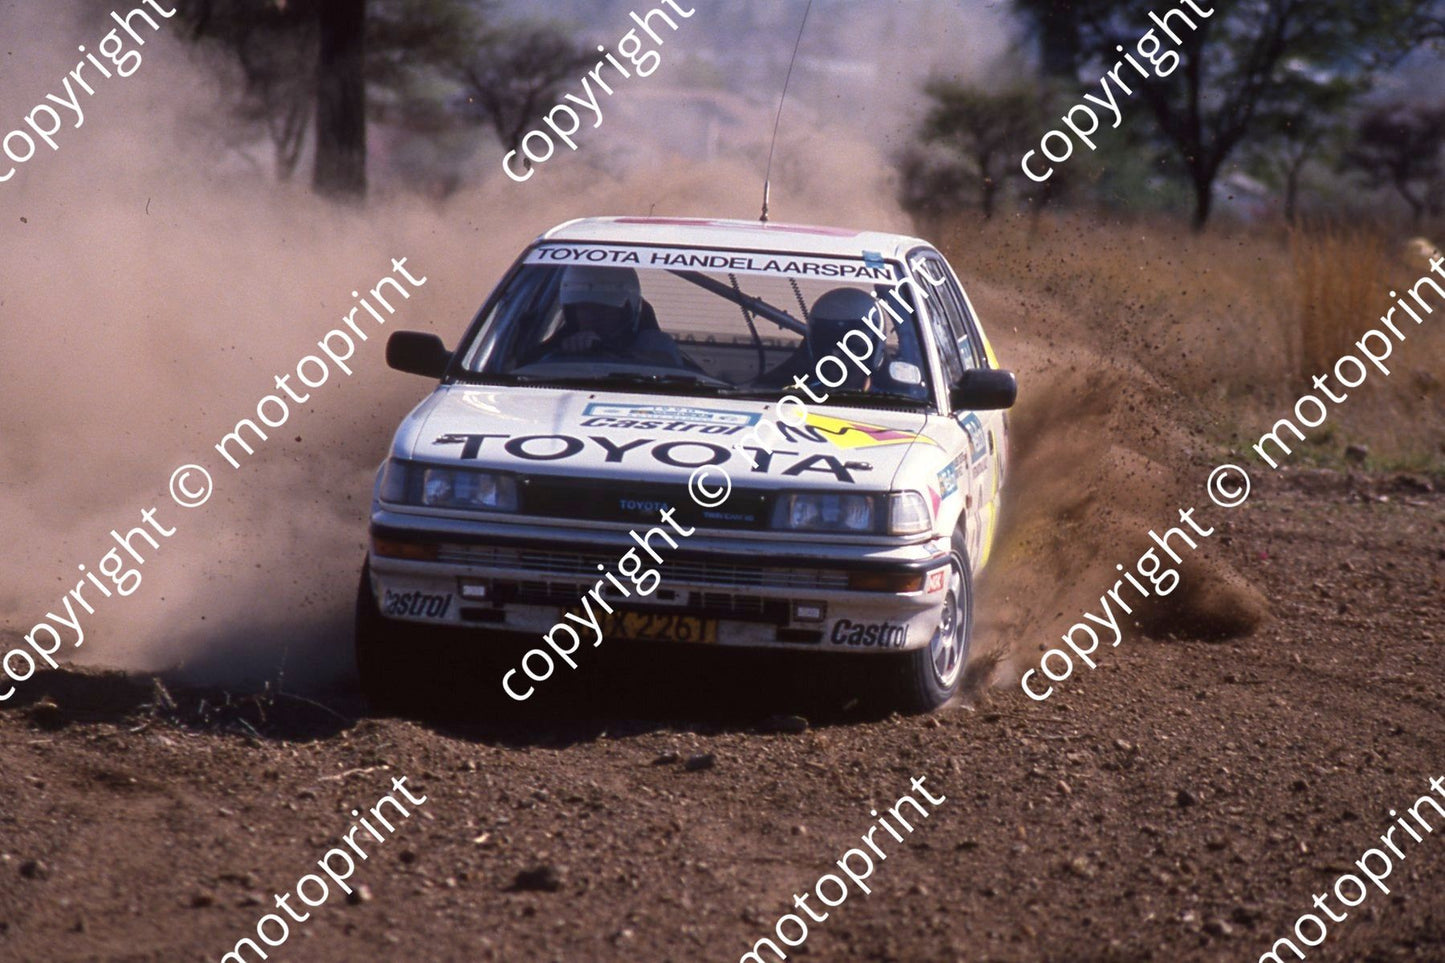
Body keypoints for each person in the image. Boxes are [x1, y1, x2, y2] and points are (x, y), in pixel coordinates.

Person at [535, 265, 682, 366]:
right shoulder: (556, 346)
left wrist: (603, 350)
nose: (593, 316)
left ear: (626, 312)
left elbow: (664, 364)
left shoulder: (653, 343)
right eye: (584, 308)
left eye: (603, 308)